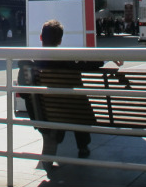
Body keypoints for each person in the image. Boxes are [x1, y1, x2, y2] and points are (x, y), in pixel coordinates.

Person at [19, 20, 109, 174]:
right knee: (77, 103)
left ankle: (53, 140)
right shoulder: (68, 59)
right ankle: (83, 146)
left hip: (45, 114)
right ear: (60, 40)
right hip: (73, 112)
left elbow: (25, 93)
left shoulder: (29, 63)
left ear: (41, 37)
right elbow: (94, 63)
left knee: (55, 107)